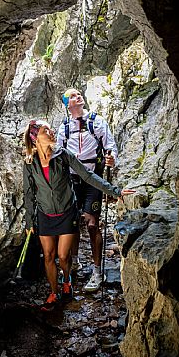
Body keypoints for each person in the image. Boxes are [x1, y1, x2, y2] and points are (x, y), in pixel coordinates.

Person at [23, 119, 134, 311]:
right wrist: (29, 221)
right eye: (45, 130)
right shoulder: (30, 162)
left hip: (67, 211)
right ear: (35, 138)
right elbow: (29, 192)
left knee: (63, 256)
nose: (51, 132)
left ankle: (67, 280)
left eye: (50, 128)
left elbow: (87, 176)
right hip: (44, 214)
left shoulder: (63, 155)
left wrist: (115, 191)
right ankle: (53, 292)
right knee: (48, 256)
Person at [57, 88, 119, 292]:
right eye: (73, 96)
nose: (79, 96)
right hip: (72, 179)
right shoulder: (64, 128)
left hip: (93, 177)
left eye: (79, 94)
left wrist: (111, 158)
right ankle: (74, 262)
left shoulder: (96, 121)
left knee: (92, 224)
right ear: (68, 104)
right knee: (73, 222)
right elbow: (57, 153)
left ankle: (97, 271)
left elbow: (110, 146)